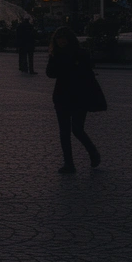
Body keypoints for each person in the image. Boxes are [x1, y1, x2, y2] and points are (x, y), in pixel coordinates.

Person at [45, 27, 103, 173]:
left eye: (64, 38)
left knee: (77, 129)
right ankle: (68, 163)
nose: (61, 41)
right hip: (61, 96)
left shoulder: (80, 53)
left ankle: (93, 152)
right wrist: (63, 64)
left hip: (79, 96)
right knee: (64, 131)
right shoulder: (55, 54)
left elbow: (86, 74)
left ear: (70, 39)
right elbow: (50, 73)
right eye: (58, 39)